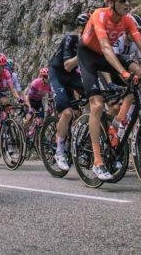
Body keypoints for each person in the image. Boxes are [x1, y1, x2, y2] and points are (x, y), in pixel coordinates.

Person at [80, 0, 141, 180]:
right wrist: (121, 72)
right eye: (123, 0)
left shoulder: (127, 20)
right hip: (88, 57)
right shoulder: (99, 15)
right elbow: (106, 47)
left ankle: (118, 124)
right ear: (110, 3)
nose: (128, 4)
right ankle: (98, 161)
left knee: (137, 71)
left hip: (106, 55)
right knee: (97, 105)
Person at [48, 13, 86, 170]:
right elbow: (68, 66)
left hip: (73, 77)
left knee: (95, 99)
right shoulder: (71, 39)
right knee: (67, 112)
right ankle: (60, 150)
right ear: (79, 29)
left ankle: (83, 139)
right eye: (85, 29)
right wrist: (83, 52)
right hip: (58, 74)